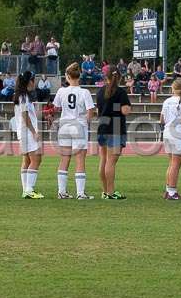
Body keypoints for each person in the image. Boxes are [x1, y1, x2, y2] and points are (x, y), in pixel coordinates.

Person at [54, 62, 96, 199]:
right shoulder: (84, 92)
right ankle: (80, 193)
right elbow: (91, 111)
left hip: (65, 125)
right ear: (79, 76)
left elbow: (56, 108)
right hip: (78, 125)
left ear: (67, 76)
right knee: (80, 159)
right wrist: (86, 122)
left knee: (64, 158)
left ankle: (62, 191)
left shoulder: (61, 91)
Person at [96, 70, 132, 200]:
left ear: (106, 77)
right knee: (111, 162)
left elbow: (99, 110)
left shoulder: (100, 92)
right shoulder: (120, 92)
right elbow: (125, 111)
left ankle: (105, 191)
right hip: (116, 127)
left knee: (104, 160)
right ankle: (111, 193)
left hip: (103, 126)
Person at [160, 78, 181, 200]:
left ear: (173, 89)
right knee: (175, 164)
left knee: (171, 164)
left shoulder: (166, 101)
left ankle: (168, 189)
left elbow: (162, 120)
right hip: (178, 134)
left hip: (167, 133)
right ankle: (172, 192)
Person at [14, 71, 43, 198]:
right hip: (27, 132)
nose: (34, 82)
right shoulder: (24, 97)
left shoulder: (22, 96)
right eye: (33, 80)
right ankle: (29, 190)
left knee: (26, 160)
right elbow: (25, 116)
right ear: (29, 81)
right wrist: (34, 132)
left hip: (22, 132)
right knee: (36, 159)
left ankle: (26, 190)